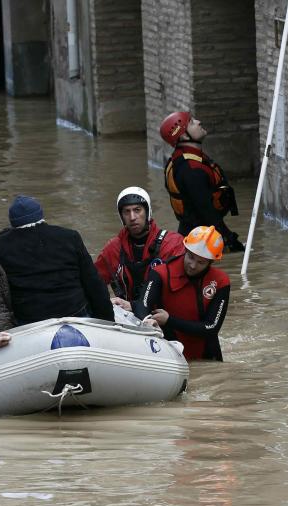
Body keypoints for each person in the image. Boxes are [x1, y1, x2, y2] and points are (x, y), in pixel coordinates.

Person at [0, 195, 113, 324]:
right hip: (75, 313)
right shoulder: (69, 237)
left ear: (12, 222)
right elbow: (94, 283)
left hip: (29, 321)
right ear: (41, 215)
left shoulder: (2, 246)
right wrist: (108, 321)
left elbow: (1, 292)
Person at [133, 226, 231, 361]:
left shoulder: (221, 281)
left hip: (207, 357)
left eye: (201, 262)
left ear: (211, 262)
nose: (193, 265)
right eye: (190, 257)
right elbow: (143, 304)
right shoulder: (160, 272)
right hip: (169, 354)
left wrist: (169, 320)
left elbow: (211, 327)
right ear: (185, 249)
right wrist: (147, 321)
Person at [159, 111, 245, 252]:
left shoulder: (184, 159)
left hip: (195, 234)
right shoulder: (191, 170)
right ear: (184, 136)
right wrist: (230, 240)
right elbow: (207, 213)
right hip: (200, 240)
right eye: (192, 122)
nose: (199, 122)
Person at [95, 186, 184, 308]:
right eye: (127, 212)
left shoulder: (172, 243)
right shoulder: (113, 248)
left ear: (147, 212)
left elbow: (184, 289)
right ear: (121, 217)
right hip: (127, 316)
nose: (132, 217)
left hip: (162, 315)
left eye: (137, 210)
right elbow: (94, 283)